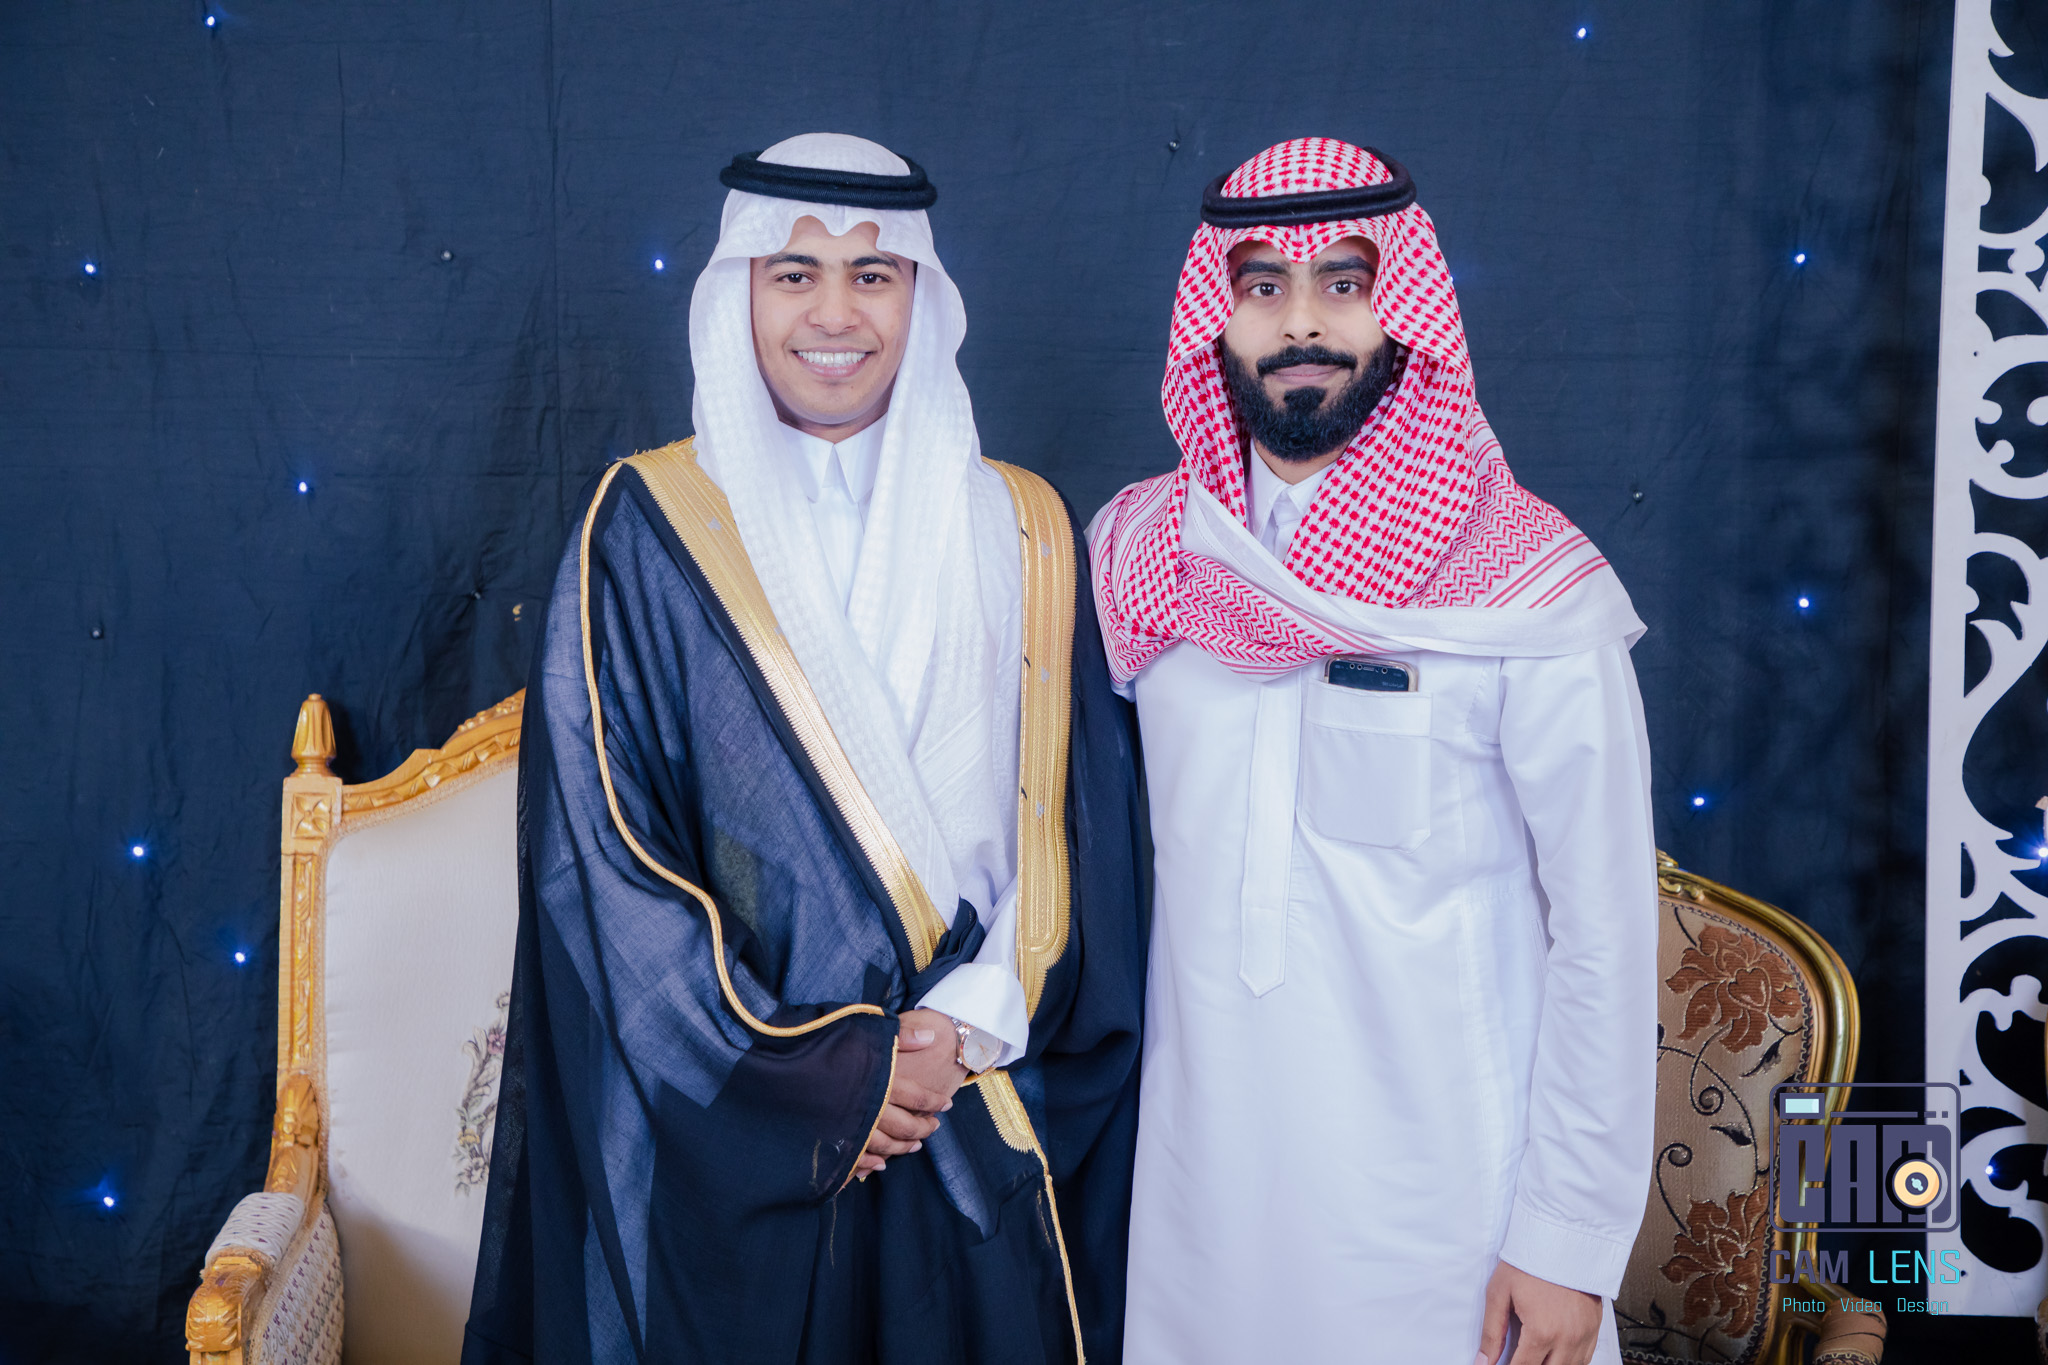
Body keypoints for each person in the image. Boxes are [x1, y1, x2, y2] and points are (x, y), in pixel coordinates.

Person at [463, 133, 1146, 1365]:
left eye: (871, 275)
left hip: (975, 1096)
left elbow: (1074, 831)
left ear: (921, 297)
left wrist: (960, 1034)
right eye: (793, 273)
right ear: (739, 291)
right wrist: (821, 1077)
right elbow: (603, 858)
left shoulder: (1026, 526)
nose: (834, 314)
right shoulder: (647, 525)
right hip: (740, 1131)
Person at [1090, 137, 1656, 1365]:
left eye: (1343, 283)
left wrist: (1566, 1238)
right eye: (1261, 286)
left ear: (1402, 307)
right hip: (1202, 1203)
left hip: (1449, 1219)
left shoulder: (1526, 586)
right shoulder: (1137, 561)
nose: (1301, 322)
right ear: (1212, 317)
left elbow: (1605, 932)